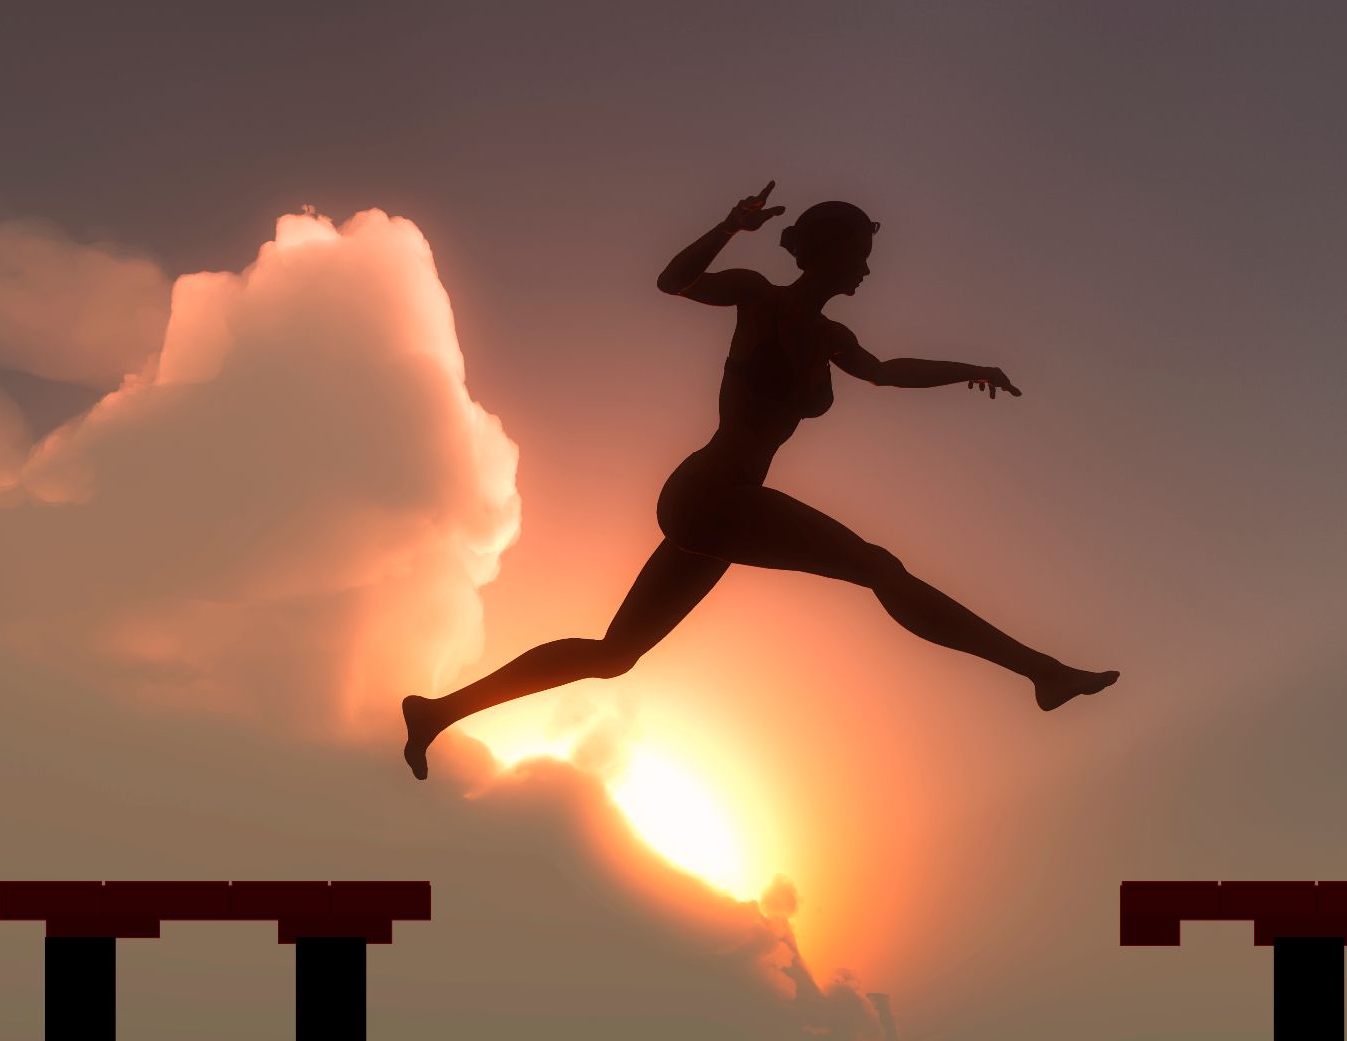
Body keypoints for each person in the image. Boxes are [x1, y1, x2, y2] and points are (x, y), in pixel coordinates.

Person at [403, 181, 1118, 779]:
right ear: (827, 253)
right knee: (878, 567)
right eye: (860, 255)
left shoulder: (834, 339)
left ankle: (436, 713)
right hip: (714, 493)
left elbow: (888, 373)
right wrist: (729, 226)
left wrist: (972, 368)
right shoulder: (758, 297)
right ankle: (1041, 672)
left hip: (715, 510)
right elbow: (672, 281)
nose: (867, 270)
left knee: (615, 654)